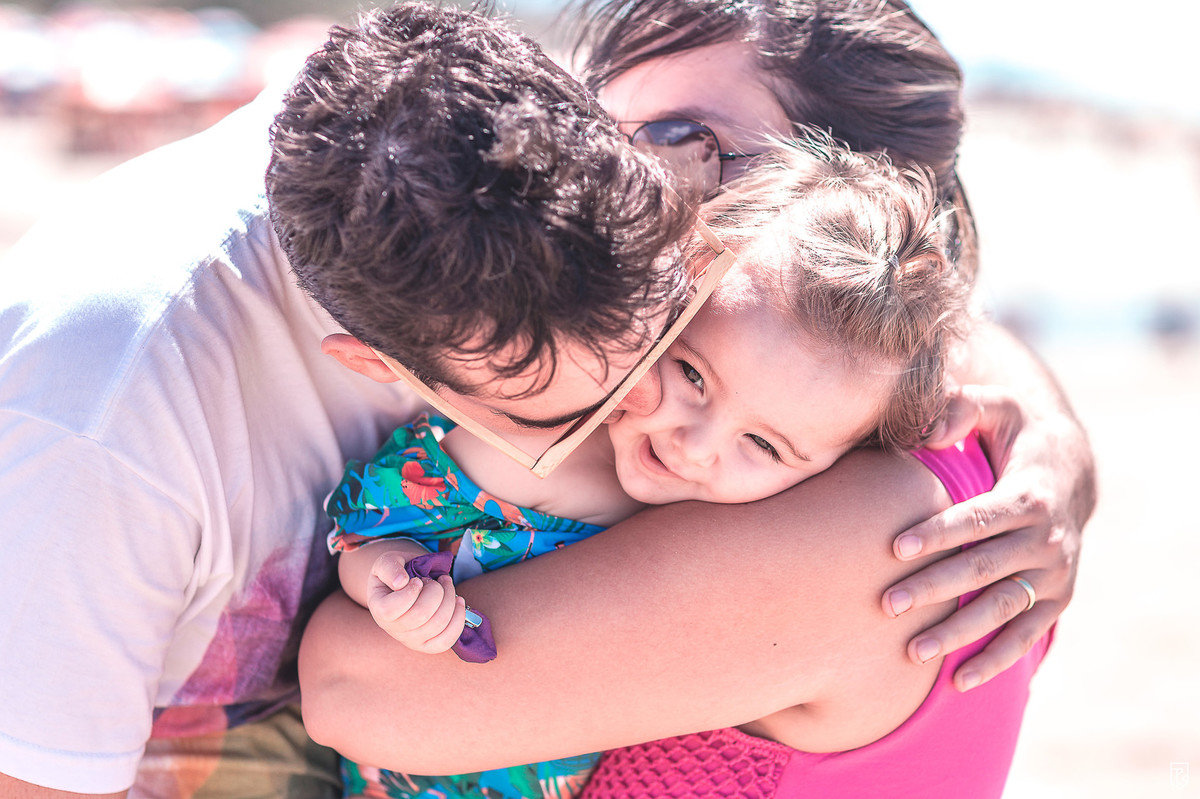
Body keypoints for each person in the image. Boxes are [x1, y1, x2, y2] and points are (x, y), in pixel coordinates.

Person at [296, 0, 1090, 794]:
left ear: (831, 197)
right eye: (601, 128)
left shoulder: (868, 535)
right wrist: (1057, 429)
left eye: (681, 145)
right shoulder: (869, 423)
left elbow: (353, 688)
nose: (612, 184)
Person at [0, 3, 691, 795]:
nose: (660, 410)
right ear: (370, 362)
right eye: (569, 419)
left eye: (673, 338)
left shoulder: (499, 144)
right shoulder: (103, 420)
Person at [326, 139, 971, 796]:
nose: (695, 443)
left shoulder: (759, 545)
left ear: (839, 466)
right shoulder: (527, 455)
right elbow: (364, 532)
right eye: (692, 372)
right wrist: (388, 582)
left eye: (766, 446)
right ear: (662, 295)